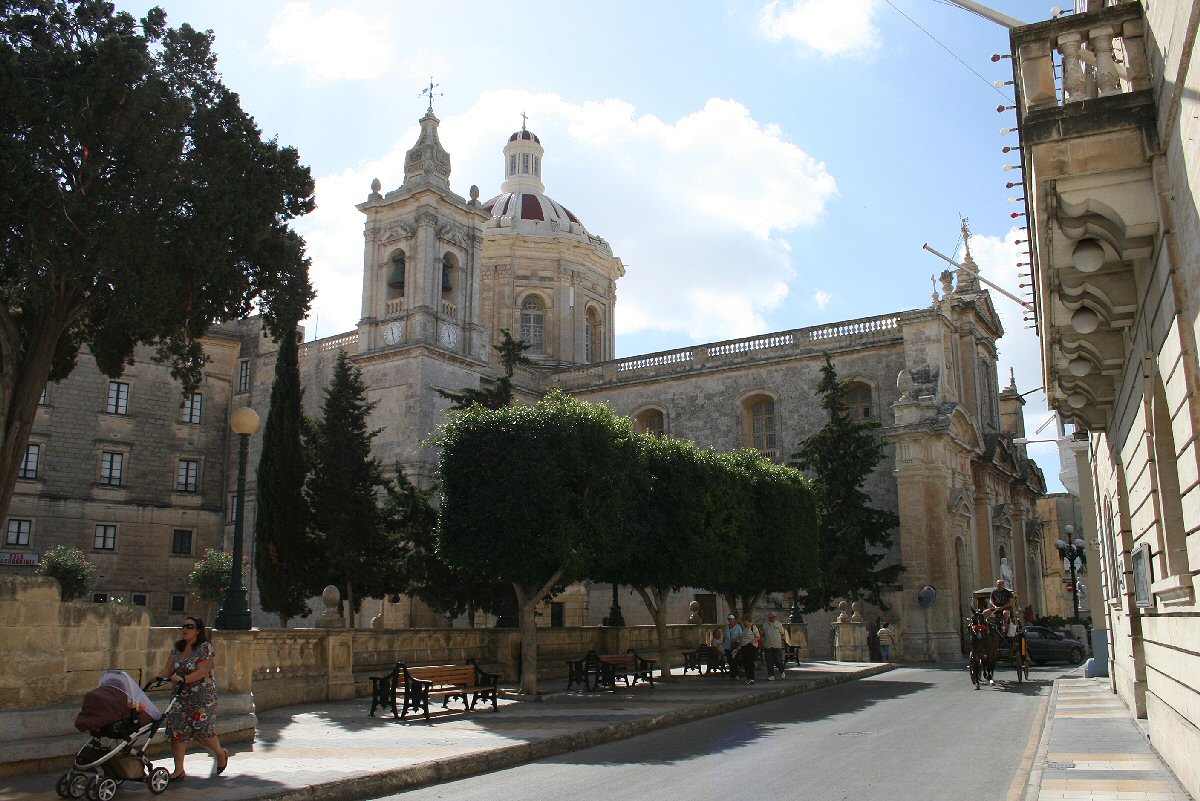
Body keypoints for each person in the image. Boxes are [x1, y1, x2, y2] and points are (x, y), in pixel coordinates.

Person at [155, 616, 229, 781]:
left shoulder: (204, 648)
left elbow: (202, 671)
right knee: (177, 731)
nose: (185, 629)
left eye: (189, 626)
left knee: (203, 732)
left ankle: (220, 752)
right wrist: (158, 677)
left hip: (202, 695)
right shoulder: (178, 648)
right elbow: (169, 668)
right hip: (180, 696)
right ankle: (179, 769)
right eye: (184, 626)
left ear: (198, 630)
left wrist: (183, 679)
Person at [761, 611, 788, 680]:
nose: (773, 618)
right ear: (769, 617)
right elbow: (763, 634)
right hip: (768, 646)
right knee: (769, 661)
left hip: (777, 646)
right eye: (771, 617)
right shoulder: (764, 625)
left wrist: (780, 640)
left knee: (778, 660)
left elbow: (783, 633)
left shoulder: (779, 624)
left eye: (774, 617)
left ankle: (782, 671)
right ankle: (771, 675)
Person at [737, 613, 760, 685]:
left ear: (747, 620)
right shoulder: (745, 628)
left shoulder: (753, 627)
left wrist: (751, 643)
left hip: (750, 647)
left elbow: (758, 636)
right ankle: (748, 678)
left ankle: (751, 678)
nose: (743, 623)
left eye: (744, 621)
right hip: (744, 647)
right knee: (745, 663)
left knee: (750, 663)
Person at [722, 614, 743, 679]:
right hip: (727, 646)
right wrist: (723, 643)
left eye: (731, 619)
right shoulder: (726, 627)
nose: (730, 620)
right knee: (730, 661)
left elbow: (741, 636)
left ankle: (736, 674)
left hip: (735, 647)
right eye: (729, 619)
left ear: (734, 620)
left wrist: (736, 639)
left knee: (735, 660)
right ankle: (732, 674)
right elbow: (724, 636)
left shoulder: (738, 627)